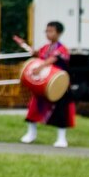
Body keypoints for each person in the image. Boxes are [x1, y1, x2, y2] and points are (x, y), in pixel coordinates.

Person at [12, 21, 73, 149]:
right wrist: (24, 45)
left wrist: (42, 66)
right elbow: (37, 54)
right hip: (43, 85)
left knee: (60, 111)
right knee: (34, 108)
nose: (48, 33)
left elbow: (53, 59)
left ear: (59, 33)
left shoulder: (62, 49)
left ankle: (62, 139)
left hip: (59, 85)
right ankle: (31, 134)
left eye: (51, 31)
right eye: (47, 31)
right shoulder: (45, 48)